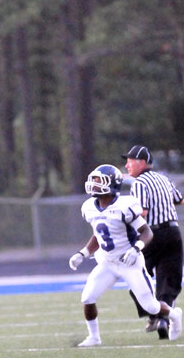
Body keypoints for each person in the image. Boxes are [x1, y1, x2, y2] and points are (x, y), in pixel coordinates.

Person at [69, 164, 182, 347]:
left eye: (99, 181)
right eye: (94, 181)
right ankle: (94, 337)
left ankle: (174, 314)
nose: (94, 185)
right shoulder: (89, 207)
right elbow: (99, 235)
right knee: (88, 298)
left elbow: (146, 232)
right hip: (107, 263)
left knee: (151, 306)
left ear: (112, 184)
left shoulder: (125, 206)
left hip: (129, 262)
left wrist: (136, 248)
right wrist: (83, 253)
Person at [122, 145, 184, 339]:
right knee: (168, 280)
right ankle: (163, 319)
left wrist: (122, 217)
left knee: (137, 278)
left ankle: (155, 315)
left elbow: (143, 212)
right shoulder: (163, 178)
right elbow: (179, 200)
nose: (126, 165)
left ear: (141, 162)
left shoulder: (139, 183)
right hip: (173, 233)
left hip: (151, 235)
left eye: (130, 161)